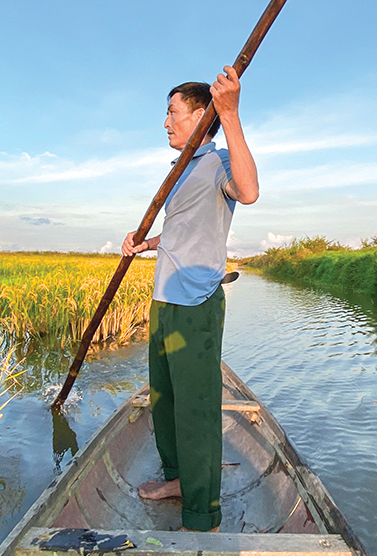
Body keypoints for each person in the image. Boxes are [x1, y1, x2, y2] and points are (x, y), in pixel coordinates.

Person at [121, 66, 259, 532]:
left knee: (196, 407)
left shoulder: (218, 162)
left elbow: (250, 191)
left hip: (196, 303)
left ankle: (203, 514)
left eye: (173, 112)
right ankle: (179, 478)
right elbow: (184, 228)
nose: (165, 122)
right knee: (165, 399)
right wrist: (148, 243)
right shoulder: (180, 170)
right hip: (163, 300)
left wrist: (231, 114)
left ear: (201, 115)